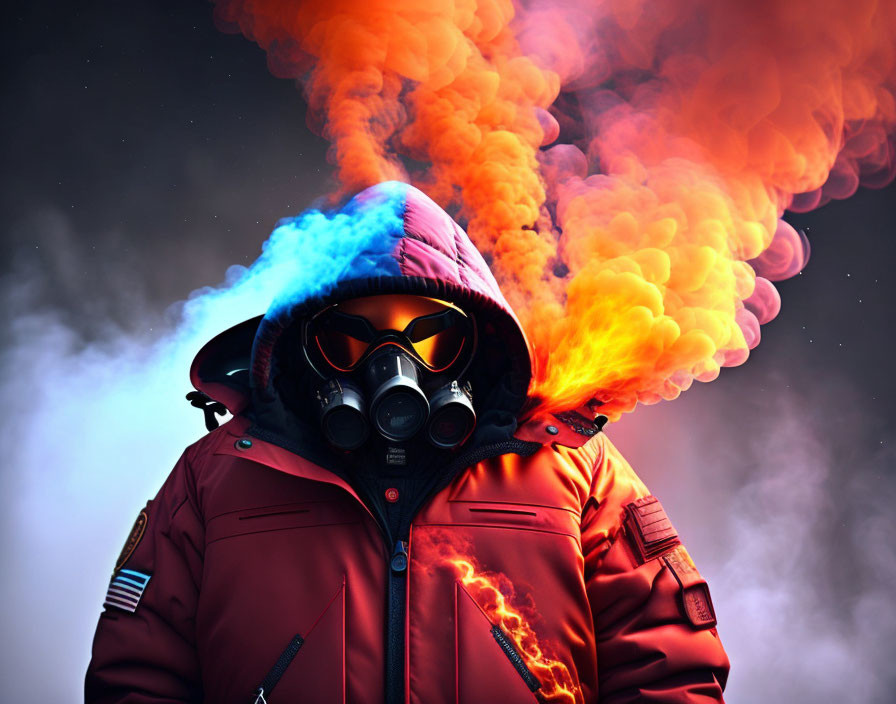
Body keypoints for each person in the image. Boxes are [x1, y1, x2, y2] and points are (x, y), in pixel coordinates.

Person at [86, 181, 729, 703]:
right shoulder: (217, 477)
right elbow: (138, 671)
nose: (394, 364)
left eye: (430, 336)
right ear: (305, 348)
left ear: (476, 342)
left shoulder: (572, 467)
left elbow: (667, 664)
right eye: (350, 338)